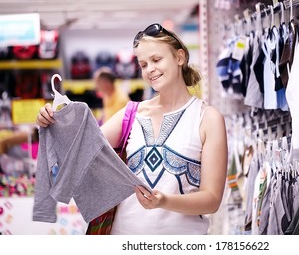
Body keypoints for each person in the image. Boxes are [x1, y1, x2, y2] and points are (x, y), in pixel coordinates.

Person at [36, 23, 228, 235]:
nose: (150, 70)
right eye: (143, 64)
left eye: (156, 60)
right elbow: (76, 152)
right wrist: (52, 121)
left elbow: (211, 200)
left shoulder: (207, 119)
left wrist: (164, 201)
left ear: (180, 57)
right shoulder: (130, 115)